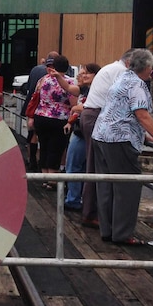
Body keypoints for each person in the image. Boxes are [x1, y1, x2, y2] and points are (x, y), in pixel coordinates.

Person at [92, 48, 153, 245]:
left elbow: (122, 112)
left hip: (101, 136)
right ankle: (122, 235)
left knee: (106, 186)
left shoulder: (121, 80)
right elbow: (142, 115)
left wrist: (145, 137)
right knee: (127, 186)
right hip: (118, 140)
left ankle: (108, 231)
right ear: (147, 67)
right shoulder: (137, 85)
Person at [79, 49, 133, 229]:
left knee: (94, 165)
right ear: (130, 61)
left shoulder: (111, 68)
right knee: (96, 166)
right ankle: (92, 213)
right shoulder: (121, 72)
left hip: (92, 115)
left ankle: (92, 212)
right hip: (97, 116)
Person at [30, 55, 79, 189]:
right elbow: (73, 103)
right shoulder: (69, 82)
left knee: (44, 146)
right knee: (56, 149)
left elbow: (36, 96)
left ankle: (44, 177)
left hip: (41, 115)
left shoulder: (43, 80)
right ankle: (52, 179)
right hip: (60, 118)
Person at [62, 62, 100, 211]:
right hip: (82, 130)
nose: (83, 75)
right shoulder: (84, 89)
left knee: (73, 165)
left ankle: (73, 199)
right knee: (83, 166)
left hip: (84, 133)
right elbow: (68, 88)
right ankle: (80, 198)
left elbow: (85, 107)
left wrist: (75, 108)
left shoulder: (95, 92)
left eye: (87, 73)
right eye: (82, 72)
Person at [21, 52, 58, 172]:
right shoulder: (53, 75)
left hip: (31, 106)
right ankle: (46, 166)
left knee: (32, 134)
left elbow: (28, 87)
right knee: (47, 140)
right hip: (45, 110)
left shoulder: (35, 69)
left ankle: (31, 160)